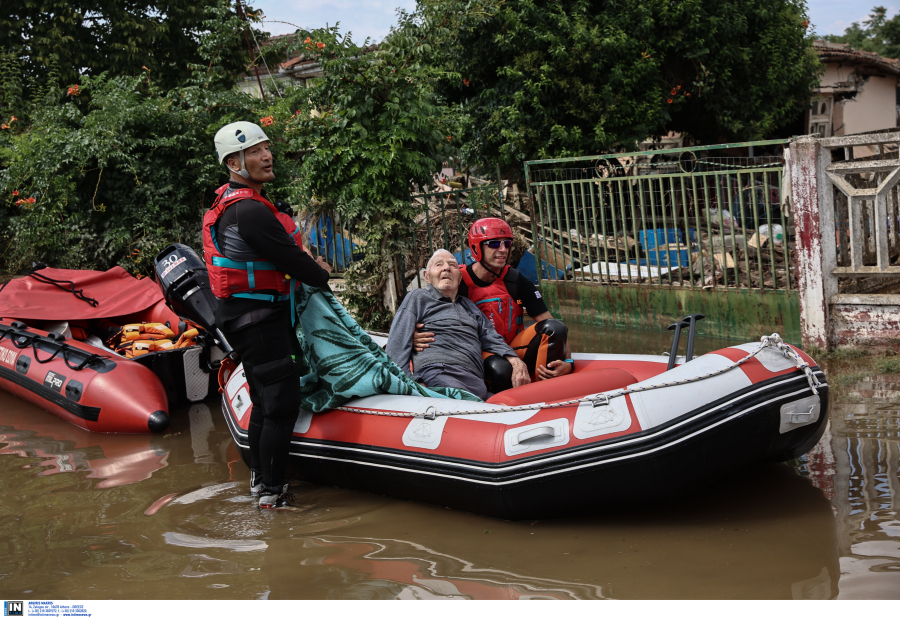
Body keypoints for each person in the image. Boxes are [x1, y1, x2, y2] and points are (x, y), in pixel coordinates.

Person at [203, 121, 332, 510]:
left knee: (263, 400)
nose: (267, 155)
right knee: (281, 402)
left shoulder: (235, 203)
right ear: (233, 161)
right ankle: (273, 495)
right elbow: (293, 260)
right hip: (258, 319)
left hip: (247, 316)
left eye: (266, 148)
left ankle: (261, 481)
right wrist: (321, 273)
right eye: (256, 151)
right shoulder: (248, 211)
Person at [415, 218, 573, 392]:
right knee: (501, 370)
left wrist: (569, 363)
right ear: (476, 248)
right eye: (494, 244)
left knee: (555, 327)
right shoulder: (457, 281)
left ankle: (545, 386)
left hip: (513, 347)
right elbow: (427, 310)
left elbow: (554, 327)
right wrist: (414, 335)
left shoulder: (516, 281)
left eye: (507, 243)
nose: (503, 249)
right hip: (479, 350)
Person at [386, 249, 530, 400]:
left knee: (513, 407)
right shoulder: (418, 297)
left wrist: (516, 361)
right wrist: (413, 385)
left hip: (476, 383)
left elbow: (492, 338)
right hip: (438, 376)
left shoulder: (469, 306)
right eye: (439, 264)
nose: (446, 268)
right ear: (426, 276)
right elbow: (396, 347)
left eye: (452, 265)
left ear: (460, 278)